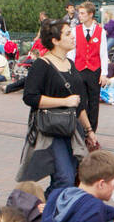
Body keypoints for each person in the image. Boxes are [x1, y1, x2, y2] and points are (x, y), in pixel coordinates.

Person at [16, 18, 98, 191]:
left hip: (72, 128)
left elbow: (79, 102)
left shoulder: (70, 64)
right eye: (68, 34)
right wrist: (64, 102)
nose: (73, 37)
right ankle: (46, 210)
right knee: (65, 177)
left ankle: (47, 210)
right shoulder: (42, 64)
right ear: (55, 41)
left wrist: (89, 130)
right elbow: (30, 97)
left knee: (72, 175)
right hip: (51, 129)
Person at [73, 1, 110, 132]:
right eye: (79, 13)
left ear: (90, 14)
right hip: (79, 70)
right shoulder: (75, 31)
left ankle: (92, 132)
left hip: (94, 70)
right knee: (81, 101)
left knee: (94, 103)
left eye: (82, 13)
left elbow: (103, 53)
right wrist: (71, 71)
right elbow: (72, 52)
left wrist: (104, 73)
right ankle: (81, 130)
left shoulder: (101, 32)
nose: (80, 16)